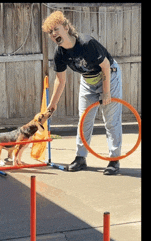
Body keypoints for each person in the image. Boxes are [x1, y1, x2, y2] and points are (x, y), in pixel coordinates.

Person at [42, 10, 122, 175]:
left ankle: (114, 160)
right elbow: (60, 80)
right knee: (84, 119)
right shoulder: (60, 54)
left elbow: (105, 65)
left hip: (109, 76)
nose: (53, 33)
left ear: (66, 27)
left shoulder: (86, 43)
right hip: (88, 80)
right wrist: (52, 104)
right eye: (50, 32)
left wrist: (106, 93)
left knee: (111, 120)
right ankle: (80, 158)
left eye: (56, 29)